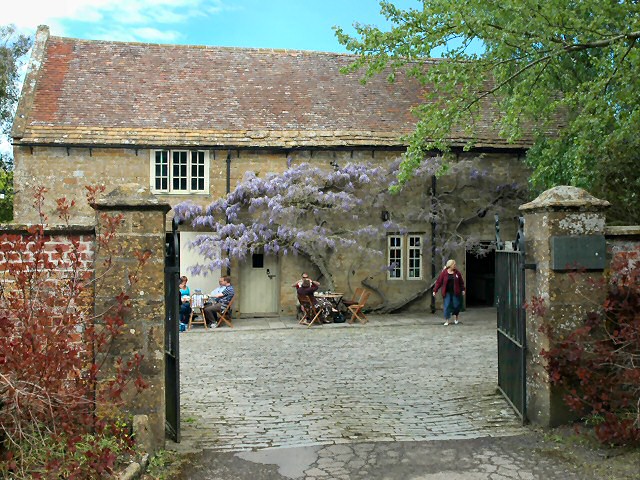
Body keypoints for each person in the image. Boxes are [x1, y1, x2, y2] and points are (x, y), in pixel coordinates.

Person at [433, 259, 466, 326]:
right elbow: (439, 282)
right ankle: (447, 320)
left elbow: (461, 282)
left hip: (455, 292)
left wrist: (463, 290)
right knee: (447, 305)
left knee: (456, 305)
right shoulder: (444, 273)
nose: (455, 266)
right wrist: (435, 290)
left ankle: (456, 318)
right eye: (454, 264)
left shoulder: (457, 273)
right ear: (450, 265)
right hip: (447, 292)